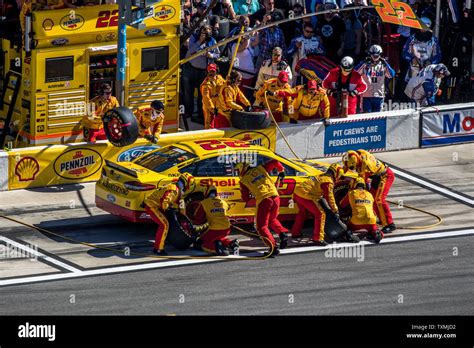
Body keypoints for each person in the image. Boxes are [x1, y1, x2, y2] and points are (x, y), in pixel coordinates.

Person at [236, 160, 289, 257]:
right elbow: (275, 162)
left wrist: (252, 193)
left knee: (261, 227)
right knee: (272, 219)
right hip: (275, 196)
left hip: (264, 200)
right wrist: (281, 171)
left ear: (241, 169)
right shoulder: (261, 168)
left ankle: (273, 248)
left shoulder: (243, 180)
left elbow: (245, 198)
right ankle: (282, 234)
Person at [342, 149, 396, 234]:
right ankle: (382, 220)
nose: (352, 169)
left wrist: (352, 191)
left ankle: (390, 224)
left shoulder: (365, 165)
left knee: (379, 199)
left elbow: (362, 183)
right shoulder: (358, 153)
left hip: (386, 176)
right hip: (376, 177)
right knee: (373, 200)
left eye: (352, 167)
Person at [290, 163, 344, 246]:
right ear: (337, 174)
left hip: (297, 193)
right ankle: (318, 238)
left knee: (302, 213)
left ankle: (295, 232)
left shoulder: (321, 175)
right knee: (320, 214)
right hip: (306, 195)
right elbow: (330, 197)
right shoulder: (328, 181)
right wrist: (335, 210)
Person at [144, 173, 196, 255]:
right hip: (151, 206)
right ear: (187, 184)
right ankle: (158, 249)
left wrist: (182, 218)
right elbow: (165, 202)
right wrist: (170, 210)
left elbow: (180, 205)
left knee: (168, 222)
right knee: (164, 224)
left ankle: (164, 240)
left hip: (157, 206)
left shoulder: (177, 189)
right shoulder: (174, 190)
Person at [182, 25, 220, 124]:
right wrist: (200, 41)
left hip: (203, 72)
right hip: (190, 69)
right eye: (204, 31)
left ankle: (200, 114)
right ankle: (188, 112)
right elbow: (190, 52)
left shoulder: (212, 41)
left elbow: (217, 55)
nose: (206, 33)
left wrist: (210, 55)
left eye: (208, 31)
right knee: (188, 93)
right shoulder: (194, 38)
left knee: (202, 95)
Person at [194, 185, 239, 256]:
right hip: (227, 228)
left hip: (214, 229)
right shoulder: (223, 202)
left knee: (199, 243)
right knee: (217, 238)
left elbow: (197, 217)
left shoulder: (204, 203)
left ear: (206, 193)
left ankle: (217, 248)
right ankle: (231, 243)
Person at [340, 176, 384, 243]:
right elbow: (372, 209)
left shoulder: (351, 193)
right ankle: (377, 233)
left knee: (347, 228)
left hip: (357, 221)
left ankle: (348, 234)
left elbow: (342, 204)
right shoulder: (370, 194)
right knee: (374, 227)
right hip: (371, 220)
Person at [355, 44, 395, 113]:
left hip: (379, 96)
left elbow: (391, 75)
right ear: (370, 54)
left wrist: (386, 63)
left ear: (380, 55)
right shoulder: (365, 65)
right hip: (366, 96)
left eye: (377, 55)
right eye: (373, 55)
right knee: (366, 117)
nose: (375, 57)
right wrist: (363, 62)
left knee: (378, 117)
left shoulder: (383, 65)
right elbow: (355, 73)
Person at [402, 16, 442, 81]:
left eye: (425, 28)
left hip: (428, 71)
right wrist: (412, 59)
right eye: (421, 27)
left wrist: (430, 62)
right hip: (413, 71)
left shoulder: (434, 40)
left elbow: (438, 56)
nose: (423, 30)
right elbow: (404, 53)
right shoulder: (412, 38)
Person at [200, 63, 226, 129]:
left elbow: (225, 87)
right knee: (208, 124)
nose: (212, 73)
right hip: (208, 106)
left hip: (218, 103)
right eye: (210, 72)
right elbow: (206, 99)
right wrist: (213, 109)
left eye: (213, 71)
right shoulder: (205, 85)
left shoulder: (220, 78)